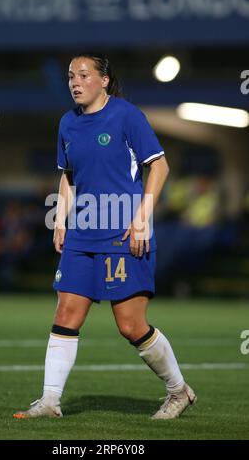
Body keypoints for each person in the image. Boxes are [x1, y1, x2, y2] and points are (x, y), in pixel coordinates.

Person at [13, 53, 197, 420]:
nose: (75, 82)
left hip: (124, 232)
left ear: (105, 81)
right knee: (66, 311)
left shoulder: (127, 116)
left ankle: (179, 392)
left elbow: (159, 167)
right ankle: (50, 401)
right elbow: (67, 175)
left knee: (130, 325)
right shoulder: (67, 123)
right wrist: (61, 220)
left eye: (83, 75)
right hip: (82, 233)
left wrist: (143, 219)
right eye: (70, 76)